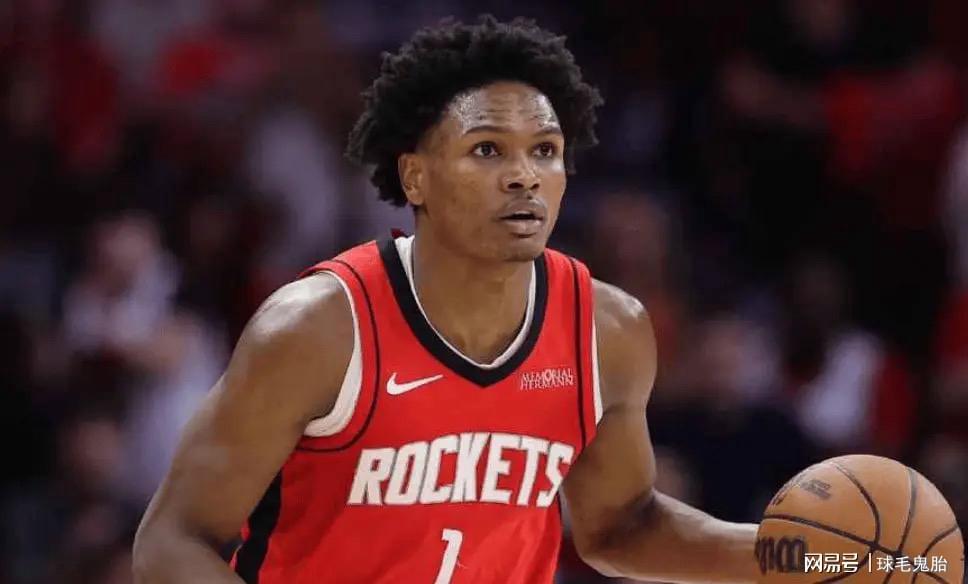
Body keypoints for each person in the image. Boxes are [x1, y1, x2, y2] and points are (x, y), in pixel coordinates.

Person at [133, 16, 758, 583]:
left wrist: (801, 556)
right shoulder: (318, 329)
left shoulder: (606, 330)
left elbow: (623, 528)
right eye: (487, 149)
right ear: (416, 176)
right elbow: (172, 540)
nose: (524, 175)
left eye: (545, 150)